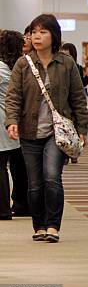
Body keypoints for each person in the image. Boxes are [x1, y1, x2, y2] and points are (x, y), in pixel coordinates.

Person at [5, 14, 88, 243]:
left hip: (56, 132)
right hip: (30, 132)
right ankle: (39, 225)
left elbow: (78, 98)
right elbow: (13, 97)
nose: (36, 36)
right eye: (33, 32)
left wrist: (82, 128)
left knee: (52, 177)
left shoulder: (66, 63)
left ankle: (53, 225)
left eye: (42, 32)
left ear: (54, 35)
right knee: (34, 183)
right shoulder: (23, 64)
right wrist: (12, 121)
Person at [0, 30, 28, 220]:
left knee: (0, 166)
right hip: (22, 121)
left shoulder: (0, 67)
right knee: (21, 167)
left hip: (3, 122)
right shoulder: (24, 66)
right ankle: (23, 205)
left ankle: (2, 208)